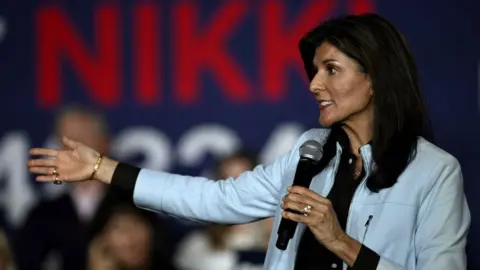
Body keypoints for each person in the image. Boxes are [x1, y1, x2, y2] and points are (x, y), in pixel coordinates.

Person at [27, 13, 470, 270]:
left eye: (330, 70)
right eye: (313, 71)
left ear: (375, 78)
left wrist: (342, 243)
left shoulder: (434, 171)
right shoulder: (309, 152)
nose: (314, 84)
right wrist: (102, 167)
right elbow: (214, 200)